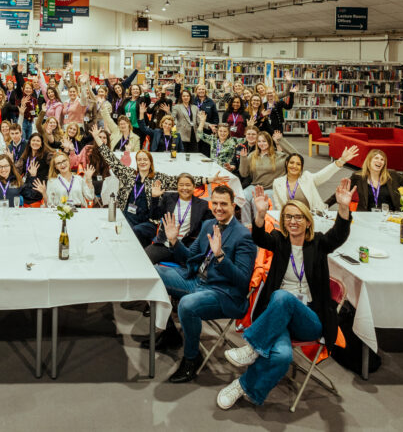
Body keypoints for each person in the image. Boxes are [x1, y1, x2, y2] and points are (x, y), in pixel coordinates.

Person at [216, 180, 353, 409]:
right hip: (278, 319)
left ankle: (251, 348)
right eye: (289, 217)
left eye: (298, 217)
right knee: (281, 356)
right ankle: (242, 386)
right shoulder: (280, 241)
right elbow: (259, 237)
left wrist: (343, 208)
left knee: (282, 297)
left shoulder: (319, 243)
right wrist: (260, 213)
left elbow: (338, 234)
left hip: (309, 318)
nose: (293, 221)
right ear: (283, 221)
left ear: (308, 221)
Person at [153, 185, 257, 383]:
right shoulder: (209, 224)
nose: (218, 208)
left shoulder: (243, 237)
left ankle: (191, 358)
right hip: (197, 280)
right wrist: (175, 242)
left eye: (223, 204)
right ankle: (170, 333)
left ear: (233, 206)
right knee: (154, 273)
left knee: (187, 305)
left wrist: (220, 256)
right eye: (215, 203)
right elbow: (189, 258)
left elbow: (242, 282)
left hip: (223, 292)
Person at [93, 128, 205, 245]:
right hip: (127, 217)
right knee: (112, 231)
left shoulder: (158, 178)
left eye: (145, 159)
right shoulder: (129, 175)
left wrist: (206, 179)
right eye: (139, 160)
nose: (142, 162)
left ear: (150, 162)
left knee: (133, 232)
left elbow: (179, 181)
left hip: (147, 223)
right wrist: (97, 138)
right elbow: (112, 160)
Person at [327, 148, 403, 212]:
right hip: (367, 216)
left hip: (390, 217)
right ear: (369, 161)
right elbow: (340, 193)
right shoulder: (358, 177)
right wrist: (324, 206)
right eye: (376, 158)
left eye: (382, 159)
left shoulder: (392, 176)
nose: (379, 161)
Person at [144, 174, 214, 264]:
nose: (184, 188)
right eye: (181, 185)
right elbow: (155, 216)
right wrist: (154, 198)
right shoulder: (168, 197)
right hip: (165, 244)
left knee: (191, 267)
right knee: (144, 261)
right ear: (177, 186)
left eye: (188, 185)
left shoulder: (202, 205)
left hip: (184, 247)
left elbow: (212, 222)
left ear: (193, 187)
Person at [272, 147, 357, 217]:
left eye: (298, 164)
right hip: (290, 219)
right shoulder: (277, 182)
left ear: (302, 167)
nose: (294, 166)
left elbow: (324, 174)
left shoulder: (307, 177)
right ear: (286, 163)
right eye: (292, 163)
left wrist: (341, 160)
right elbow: (279, 206)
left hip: (313, 218)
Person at [238, 132, 287, 225]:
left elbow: (297, 155)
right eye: (259, 141)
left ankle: (260, 226)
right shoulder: (253, 155)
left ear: (269, 142)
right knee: (242, 196)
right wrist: (243, 159)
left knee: (255, 201)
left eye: (264, 141)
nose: (261, 144)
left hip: (270, 188)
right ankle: (247, 225)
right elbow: (244, 174)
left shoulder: (278, 156)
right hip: (255, 186)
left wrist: (281, 141)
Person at [29, 152, 95, 208]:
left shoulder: (79, 179)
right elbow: (49, 205)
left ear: (69, 161)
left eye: (64, 161)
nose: (62, 164)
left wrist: (89, 179)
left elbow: (90, 197)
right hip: (61, 213)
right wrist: (44, 193)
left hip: (79, 212)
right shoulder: (52, 181)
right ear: (56, 167)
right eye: (58, 163)